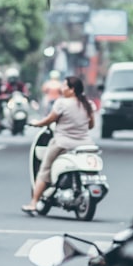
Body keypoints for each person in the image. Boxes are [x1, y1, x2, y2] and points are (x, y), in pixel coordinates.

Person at [23, 75, 96, 214]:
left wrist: (35, 123)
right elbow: (91, 125)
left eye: (64, 86)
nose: (61, 88)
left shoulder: (62, 103)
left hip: (63, 143)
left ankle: (33, 202)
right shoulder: (88, 104)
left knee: (44, 170)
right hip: (85, 145)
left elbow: (49, 120)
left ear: (72, 89)